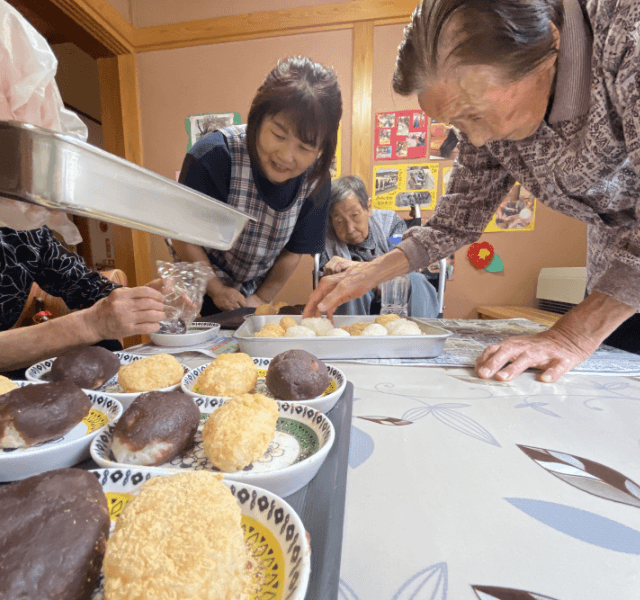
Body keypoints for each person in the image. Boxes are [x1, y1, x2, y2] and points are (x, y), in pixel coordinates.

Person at [305, 0, 640, 383]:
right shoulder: (487, 125)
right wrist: (369, 274)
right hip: (616, 275)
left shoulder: (626, 30)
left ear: (547, 45)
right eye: (457, 125)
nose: (476, 138)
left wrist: (573, 333)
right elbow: (455, 221)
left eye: (475, 114)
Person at [171, 56, 342, 315]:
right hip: (195, 285)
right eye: (278, 135)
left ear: (321, 149)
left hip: (252, 292)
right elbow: (184, 238)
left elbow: (292, 252)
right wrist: (216, 290)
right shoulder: (214, 156)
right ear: (259, 118)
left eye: (305, 148)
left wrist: (261, 298)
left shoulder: (316, 180)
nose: (286, 156)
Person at [0, 225, 166, 372]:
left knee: (105, 347)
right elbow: (91, 323)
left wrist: (145, 297)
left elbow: (84, 284)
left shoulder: (28, 233)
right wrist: (88, 325)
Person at [319, 175, 438, 316]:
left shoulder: (390, 222)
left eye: (355, 216)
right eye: (339, 221)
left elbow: (403, 266)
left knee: (417, 280)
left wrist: (362, 271)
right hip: (355, 298)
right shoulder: (324, 239)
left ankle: (422, 333)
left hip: (394, 289)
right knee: (347, 283)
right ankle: (351, 334)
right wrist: (363, 277)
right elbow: (326, 282)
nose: (350, 228)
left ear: (368, 207)